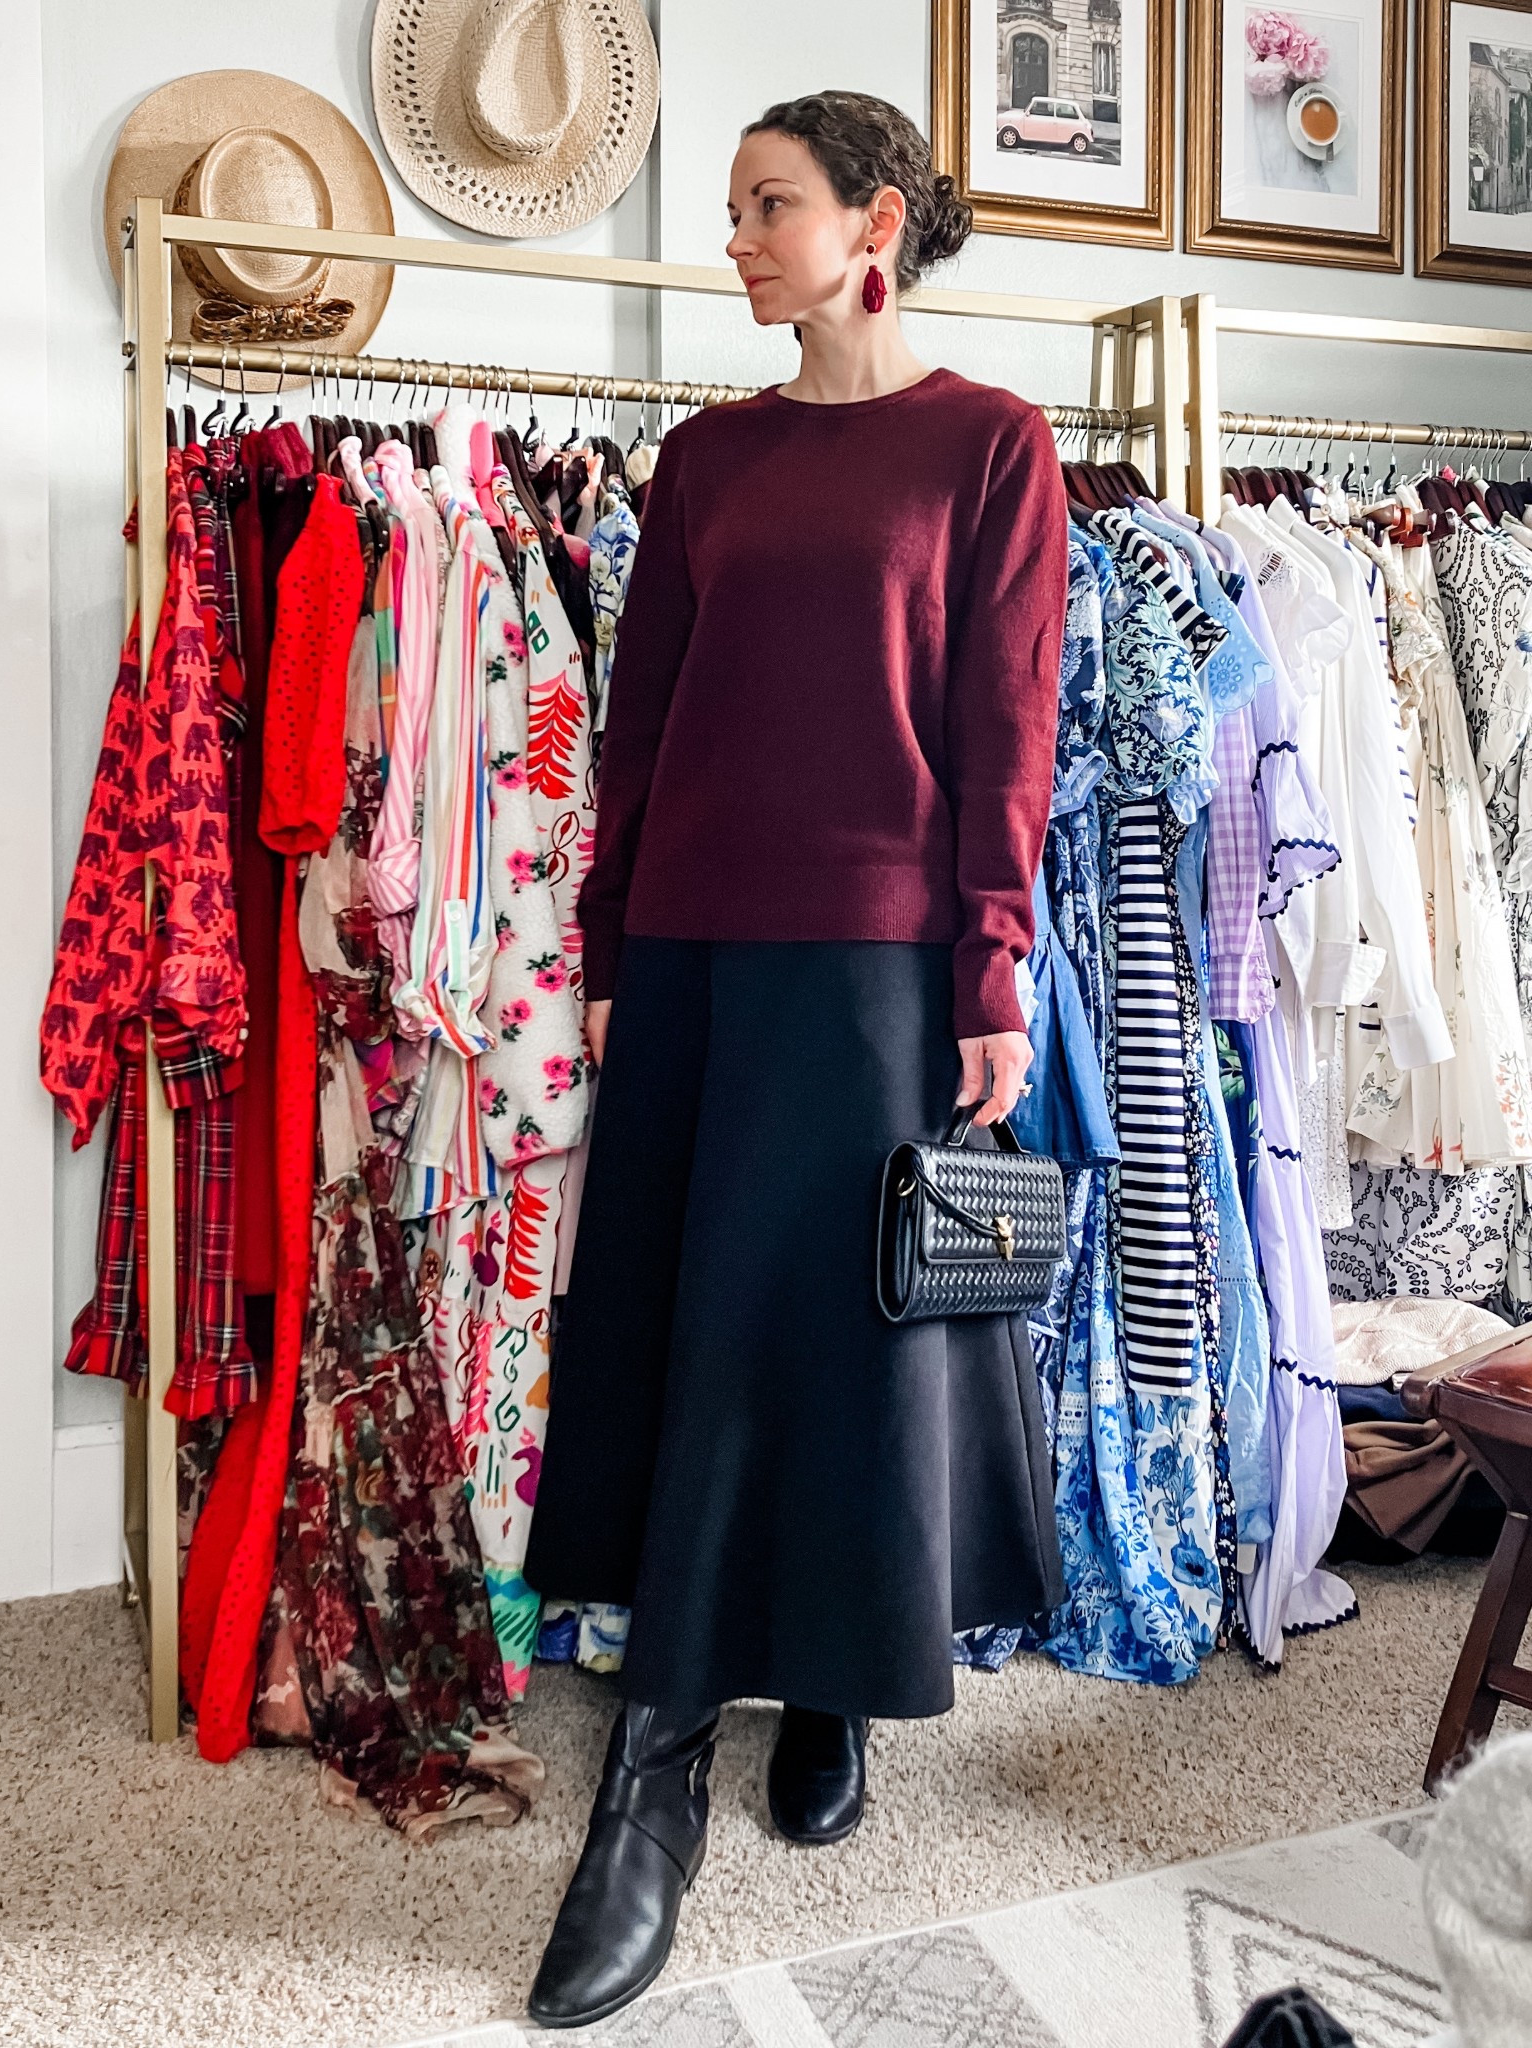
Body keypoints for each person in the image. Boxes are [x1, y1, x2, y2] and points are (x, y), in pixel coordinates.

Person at [523, 88, 1070, 2030]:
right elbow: (641, 726)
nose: (737, 237)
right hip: (688, 951)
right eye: (734, 208)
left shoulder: (993, 448)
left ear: (878, 225)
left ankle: (830, 1679)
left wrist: (993, 975)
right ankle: (658, 1755)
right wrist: (606, 946)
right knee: (685, 1320)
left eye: (769, 205)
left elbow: (1007, 737)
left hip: (878, 968)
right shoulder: (706, 460)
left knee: (839, 1335)